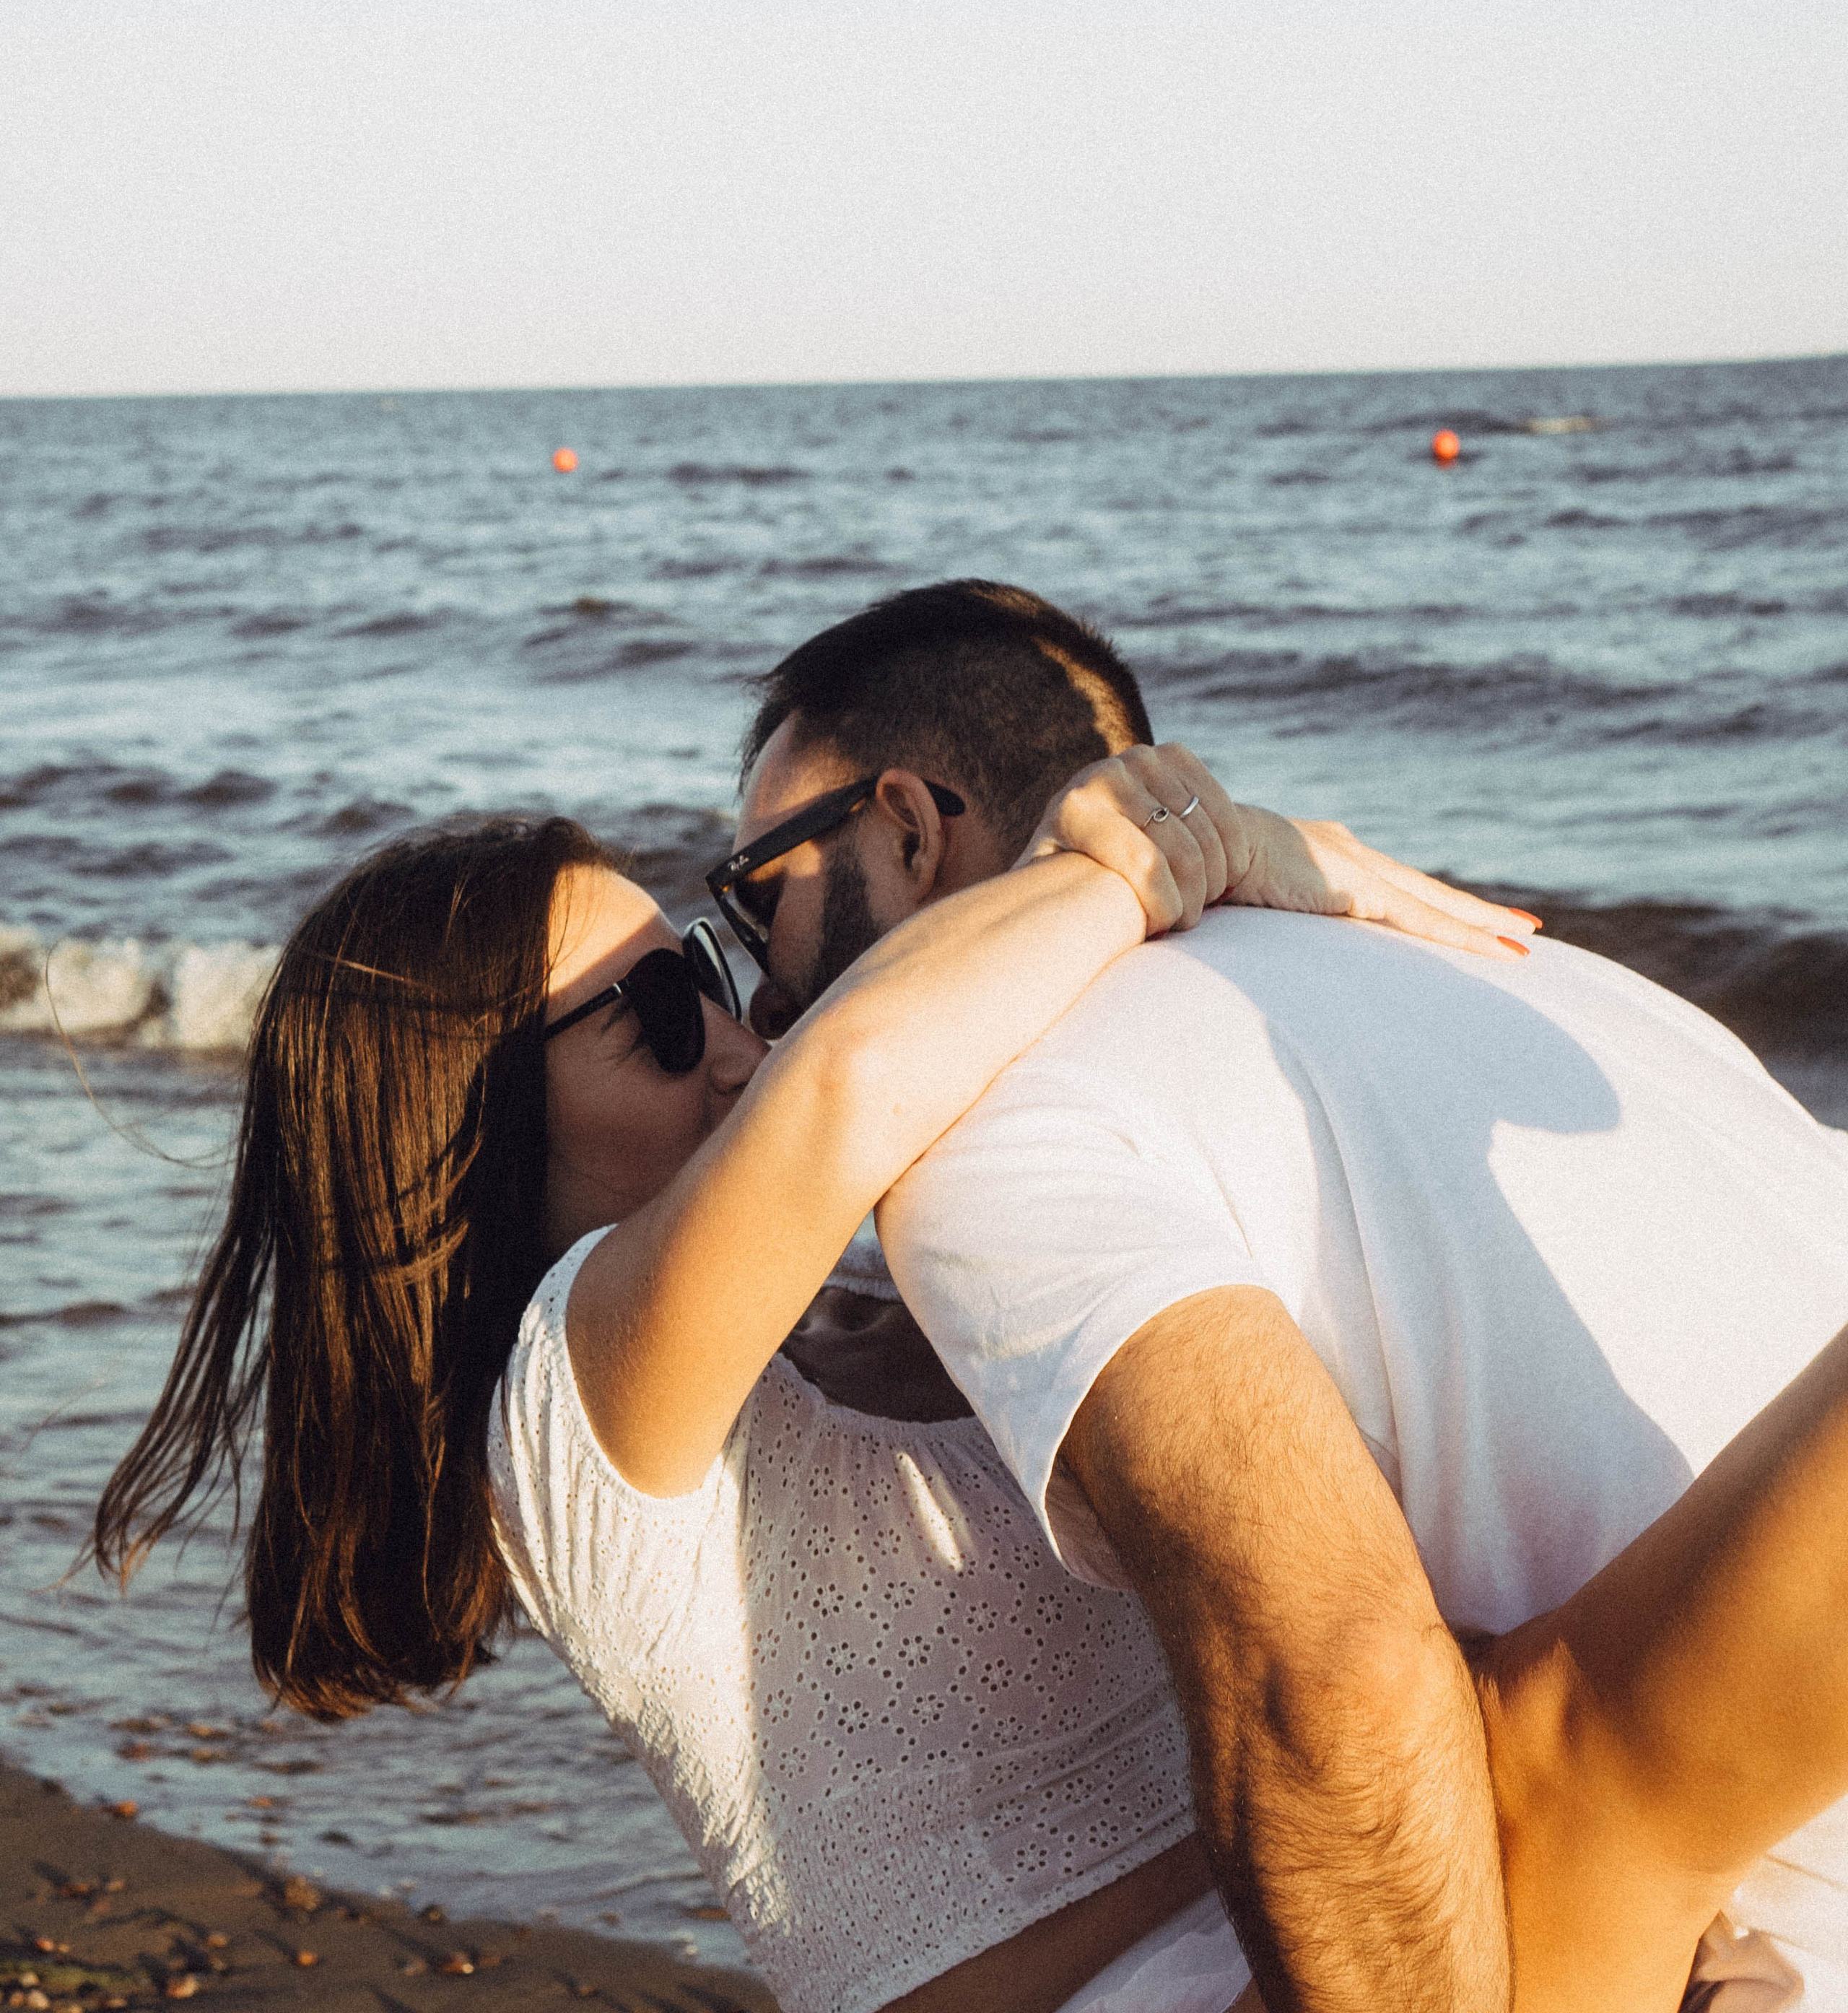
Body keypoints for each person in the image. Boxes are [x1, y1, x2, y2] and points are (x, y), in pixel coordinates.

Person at [92, 748, 1529, 2013]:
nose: (740, 1047)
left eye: (708, 979)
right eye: (661, 1016)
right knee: (1583, 1703)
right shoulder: (568, 1408)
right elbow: (845, 1082)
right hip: (1220, 1971)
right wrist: (1150, 855)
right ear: (471, 1130)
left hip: (1325, 1934)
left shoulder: (863, 1302)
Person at [723, 578, 1848, 2012]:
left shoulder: (1001, 1118)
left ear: (905, 826)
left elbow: (1334, 1684)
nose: (760, 999)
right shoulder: (1507, 964)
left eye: (756, 895)